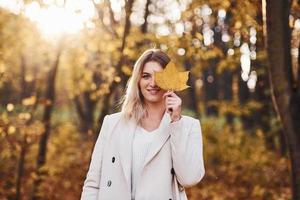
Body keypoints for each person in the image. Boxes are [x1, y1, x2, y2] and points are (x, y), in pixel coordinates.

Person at [80, 49, 205, 200]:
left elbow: (189, 178)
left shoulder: (188, 126)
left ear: (170, 80)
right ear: (137, 81)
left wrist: (176, 122)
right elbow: (93, 184)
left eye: (159, 77)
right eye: (146, 76)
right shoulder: (112, 123)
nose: (152, 83)